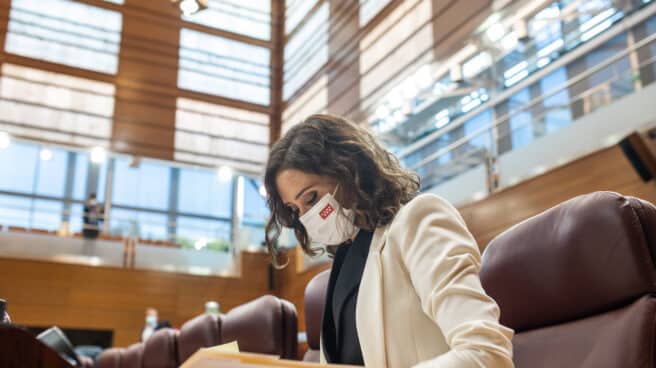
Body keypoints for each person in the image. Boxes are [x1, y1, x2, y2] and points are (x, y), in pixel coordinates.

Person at [264, 115, 514, 367]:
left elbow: (486, 352)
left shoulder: (418, 219)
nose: (307, 217)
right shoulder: (344, 260)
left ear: (348, 168)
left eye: (311, 198)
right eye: (295, 210)